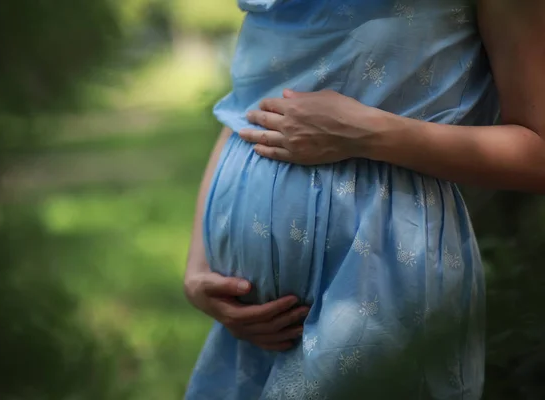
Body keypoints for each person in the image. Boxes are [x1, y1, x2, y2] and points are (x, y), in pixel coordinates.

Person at [184, 0, 545, 399]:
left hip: (377, 284)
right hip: (248, 329)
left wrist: (370, 134)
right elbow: (247, 109)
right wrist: (199, 266)